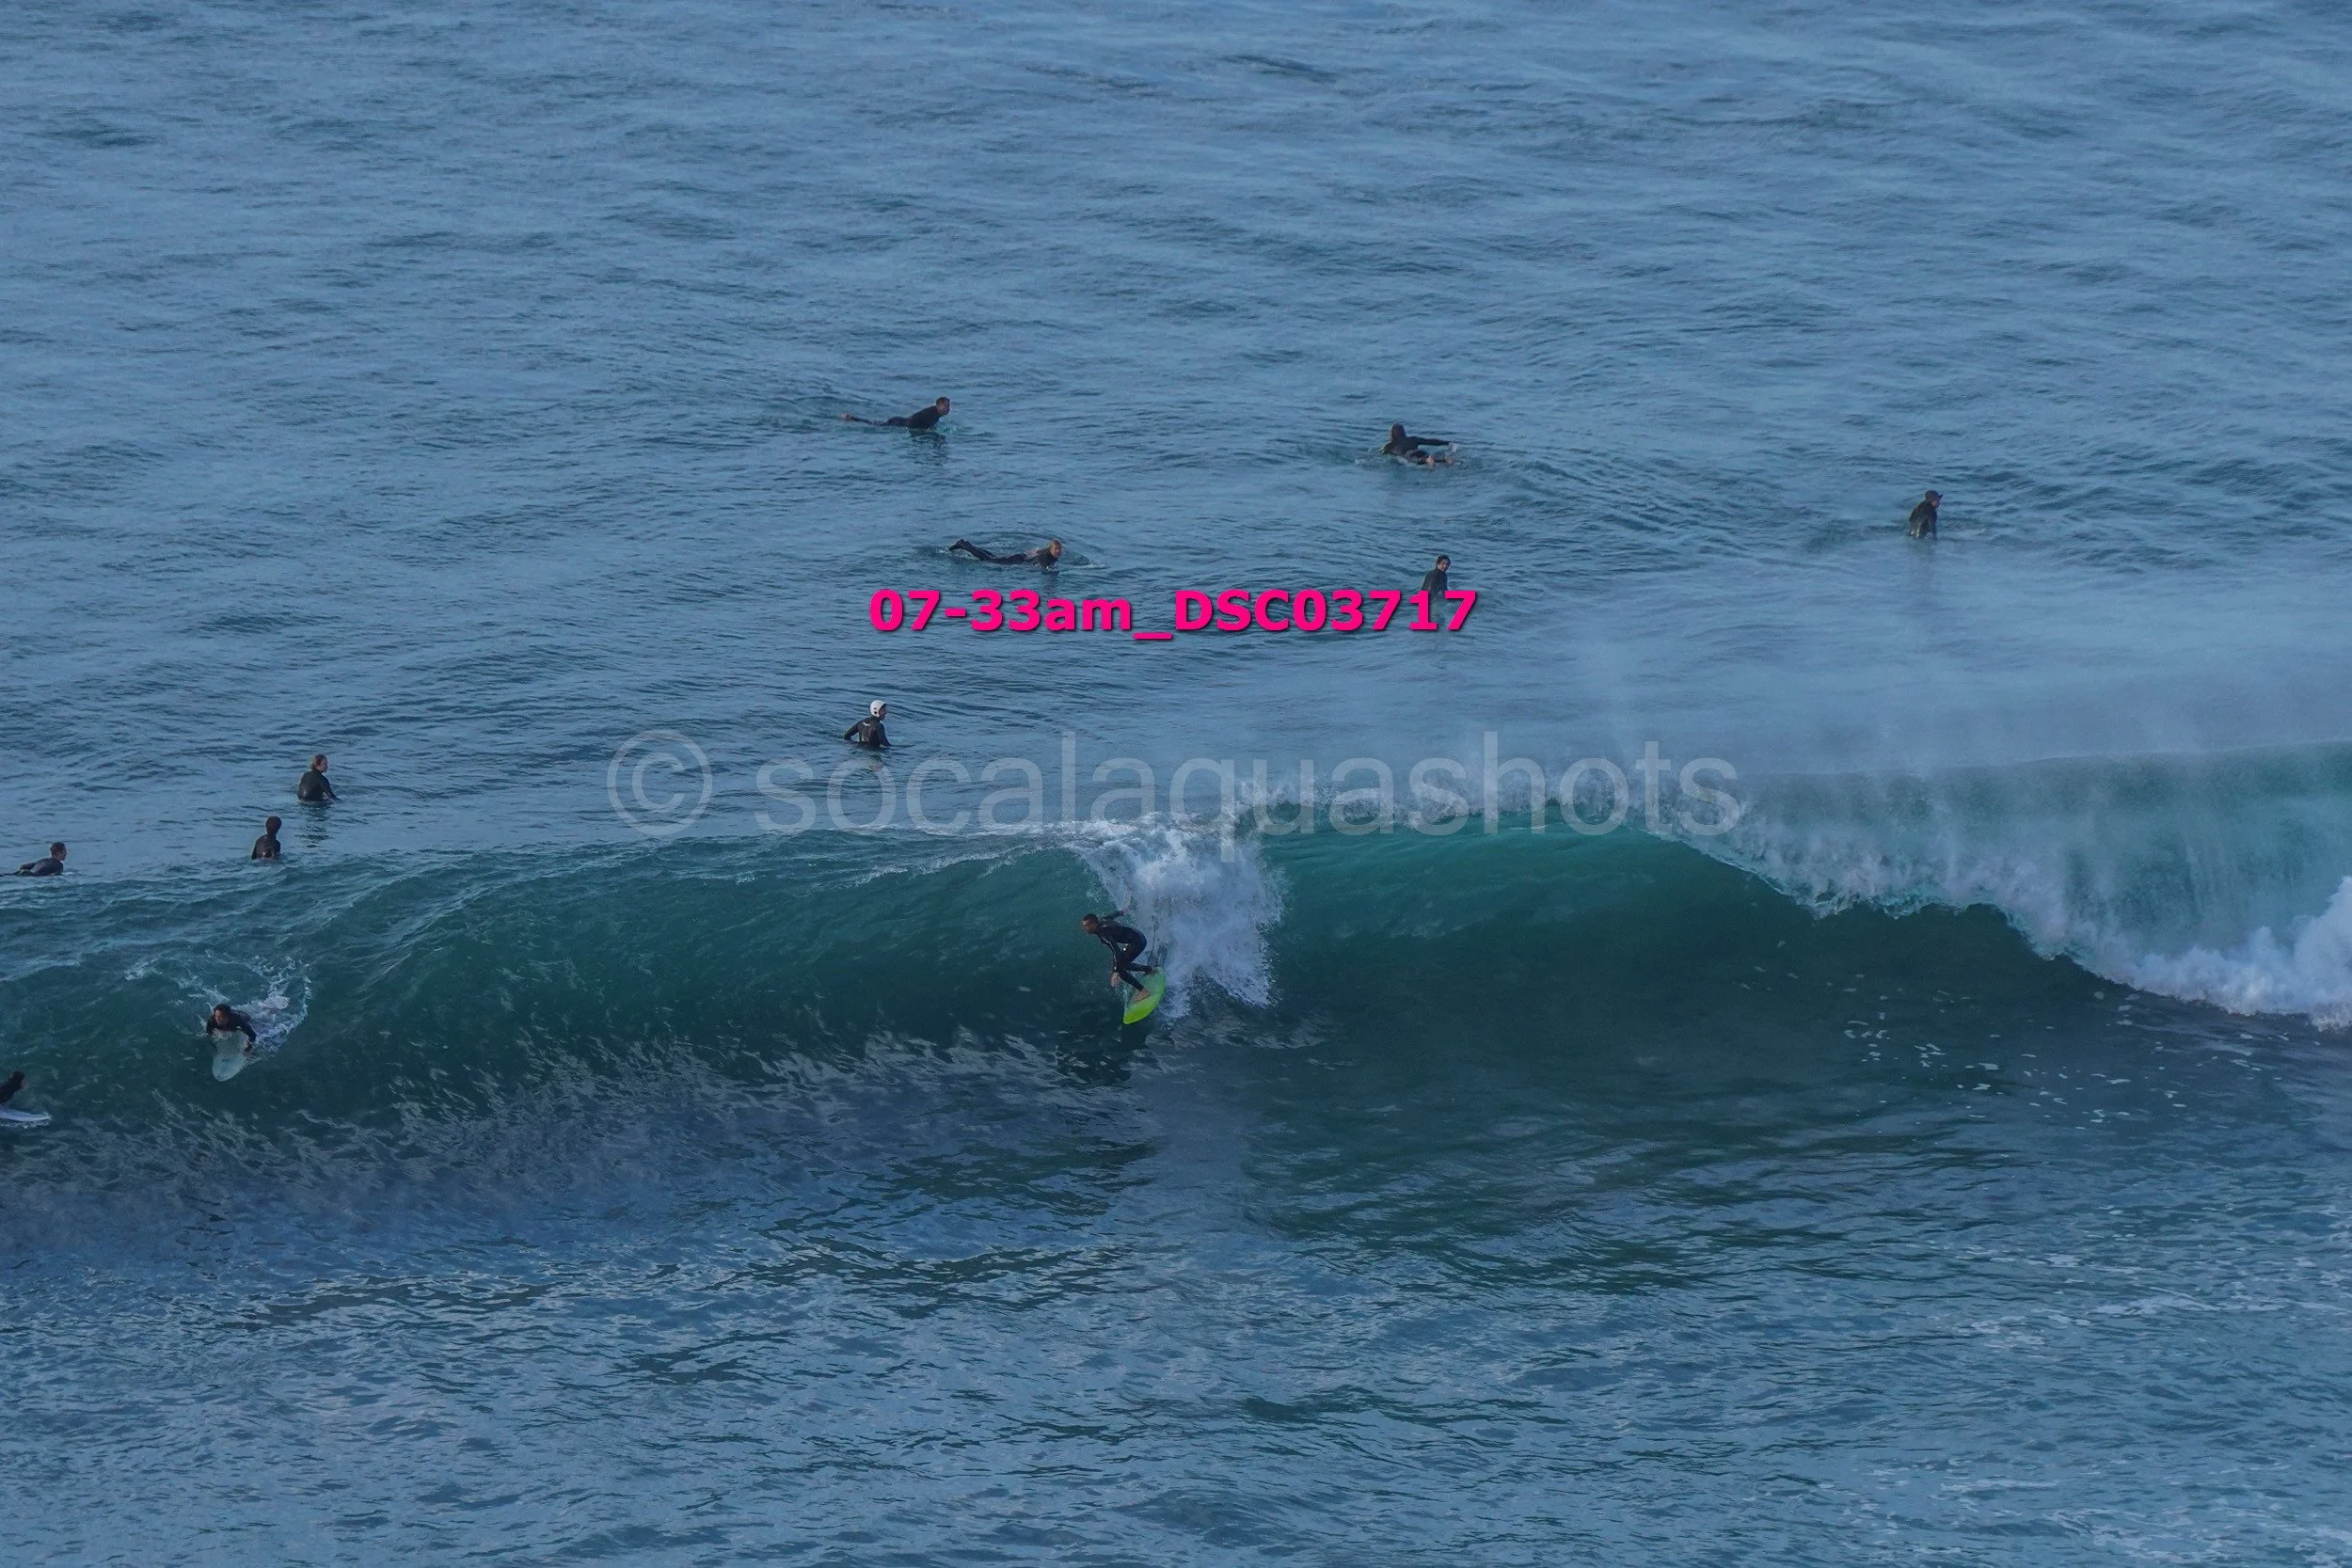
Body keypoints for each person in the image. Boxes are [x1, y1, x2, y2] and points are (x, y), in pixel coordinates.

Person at [1080, 911, 1157, 999]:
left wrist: (1116, 972)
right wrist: (1122, 911)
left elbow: (1116, 950)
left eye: (1086, 925)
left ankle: (1143, 991)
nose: (1084, 928)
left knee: (1120, 969)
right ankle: (1148, 970)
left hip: (1137, 942)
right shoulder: (1103, 920)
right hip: (1139, 936)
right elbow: (1113, 915)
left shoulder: (1103, 933)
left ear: (1093, 924)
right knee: (1121, 964)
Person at [843, 396, 950, 431]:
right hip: (899, 423)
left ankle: (852, 418)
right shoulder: (931, 413)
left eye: (948, 406)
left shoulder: (935, 414)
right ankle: (852, 419)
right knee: (876, 425)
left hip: (901, 421)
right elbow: (915, 420)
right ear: (939, 405)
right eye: (946, 406)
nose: (948, 409)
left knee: (878, 424)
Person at [950, 538, 1063, 567]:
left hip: (1021, 557)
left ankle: (968, 545)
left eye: (1059, 549)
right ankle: (963, 545)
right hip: (1016, 561)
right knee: (989, 559)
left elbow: (1036, 551)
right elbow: (1042, 567)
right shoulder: (1046, 557)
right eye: (1056, 549)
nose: (1058, 551)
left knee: (991, 556)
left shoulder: (1048, 552)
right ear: (1051, 549)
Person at [1384, 423, 1454, 467]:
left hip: (1410, 454)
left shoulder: (1390, 445)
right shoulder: (1413, 439)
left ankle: (1428, 460)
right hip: (1421, 451)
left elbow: (1382, 453)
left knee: (1416, 460)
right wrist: (1446, 442)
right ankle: (1444, 459)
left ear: (1392, 434)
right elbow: (1430, 441)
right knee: (1431, 458)